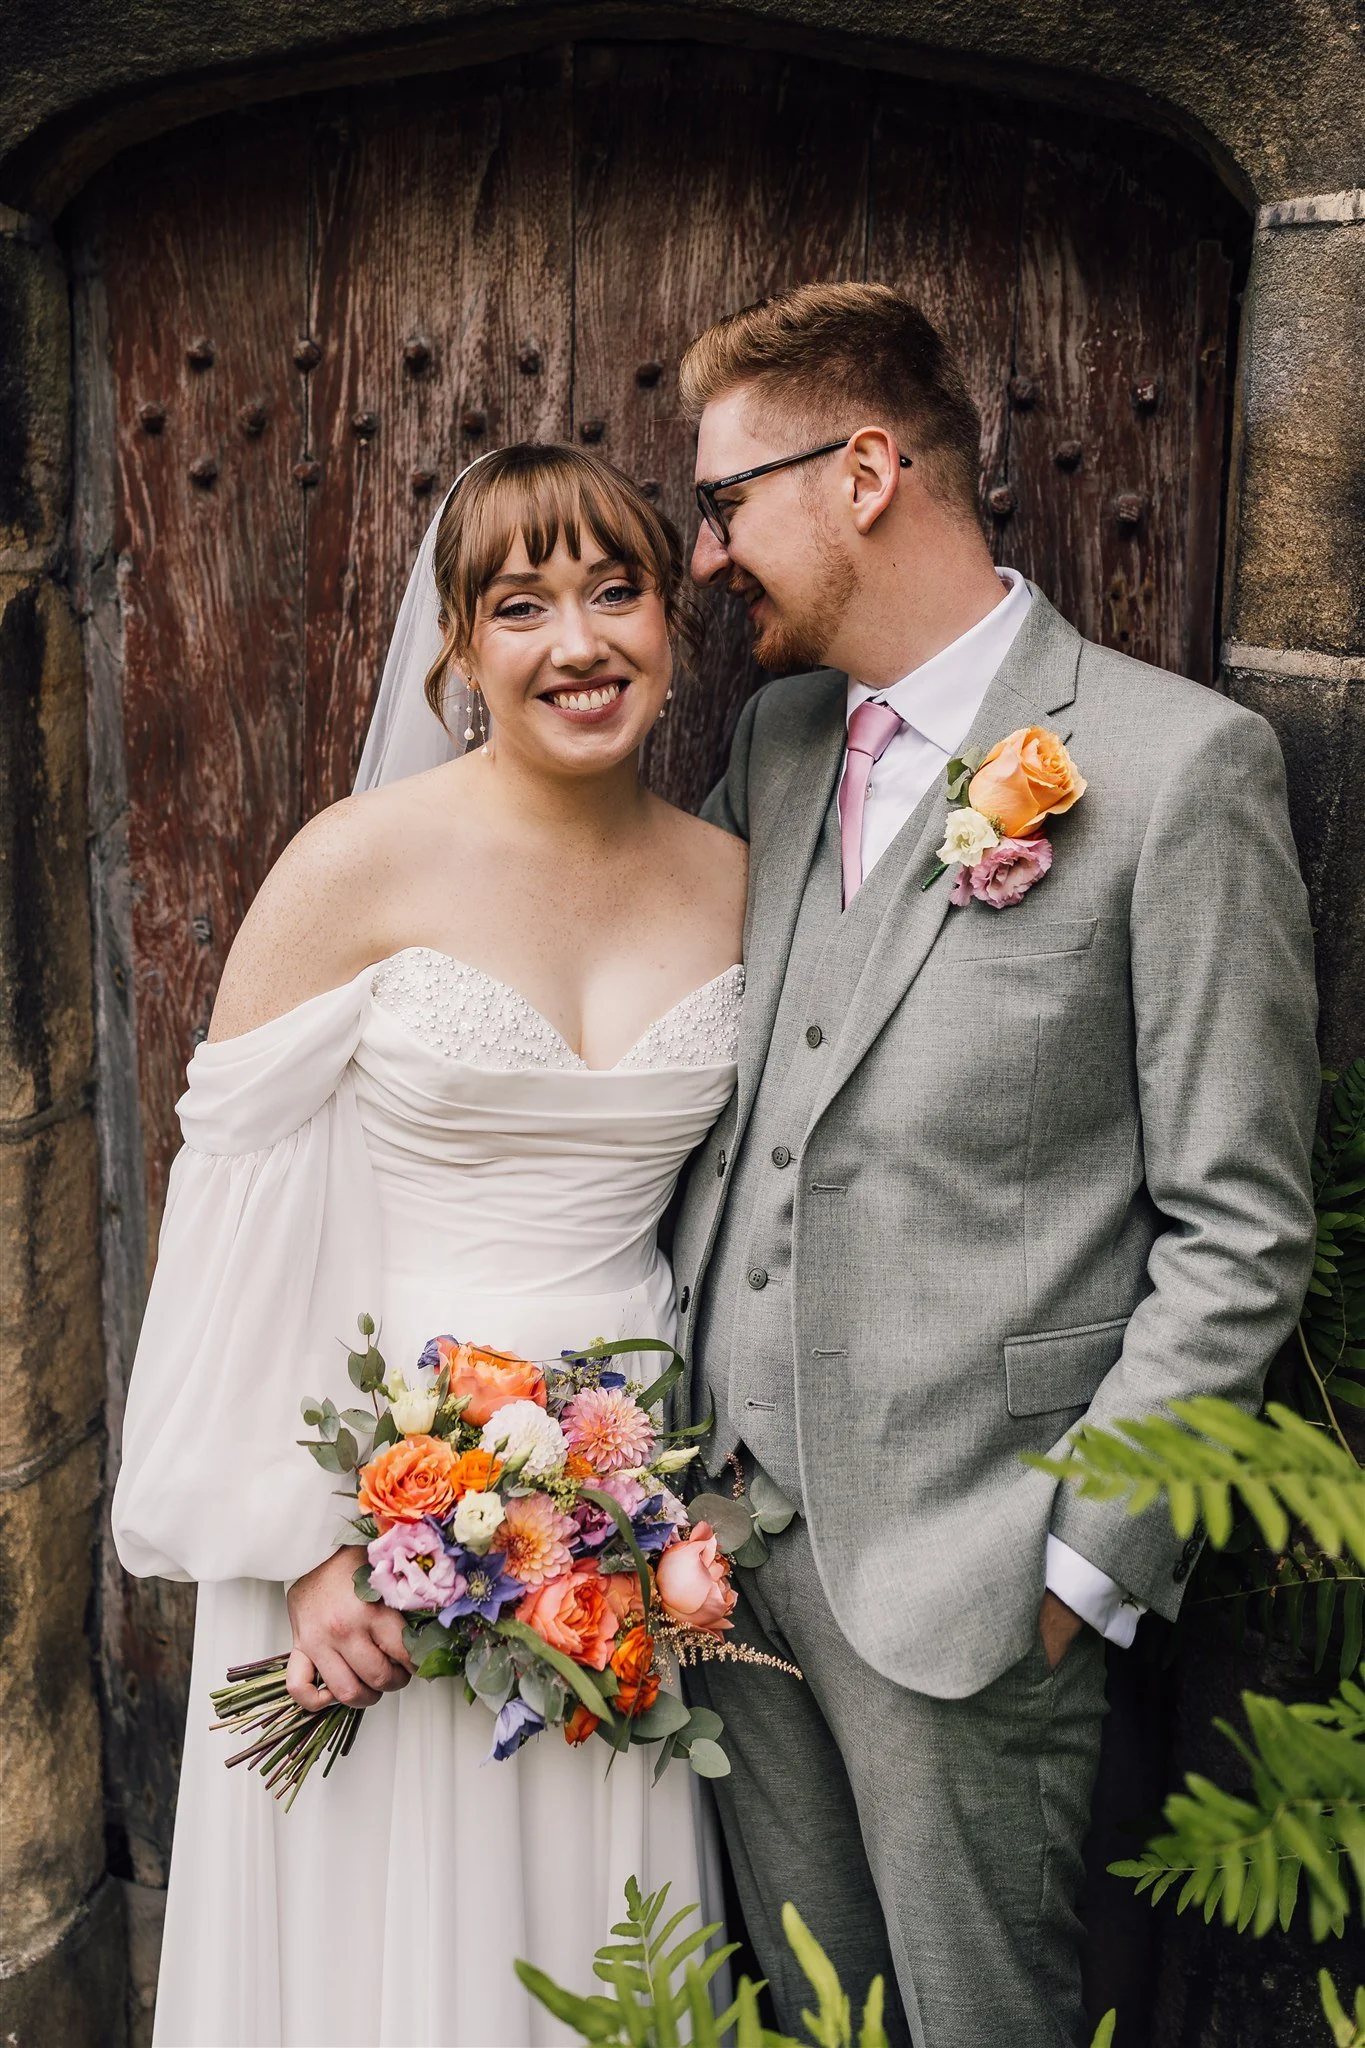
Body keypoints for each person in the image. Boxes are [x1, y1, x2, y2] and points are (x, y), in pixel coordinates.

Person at [670, 282, 1320, 2048]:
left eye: (726, 500)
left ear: (866, 468)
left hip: (975, 1579)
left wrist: (1084, 1563)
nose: (710, 555)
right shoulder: (777, 746)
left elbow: (1239, 1229)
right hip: (725, 1555)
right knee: (810, 2020)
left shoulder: (1179, 770)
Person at [112, 444, 748, 2048]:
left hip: (625, 1507)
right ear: (459, 650)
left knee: (588, 1931)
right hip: (369, 1504)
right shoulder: (356, 861)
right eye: (520, 605)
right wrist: (307, 1543)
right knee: (376, 1952)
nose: (578, 642)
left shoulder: (744, 886)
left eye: (617, 591)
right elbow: (234, 1210)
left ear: (674, 614)